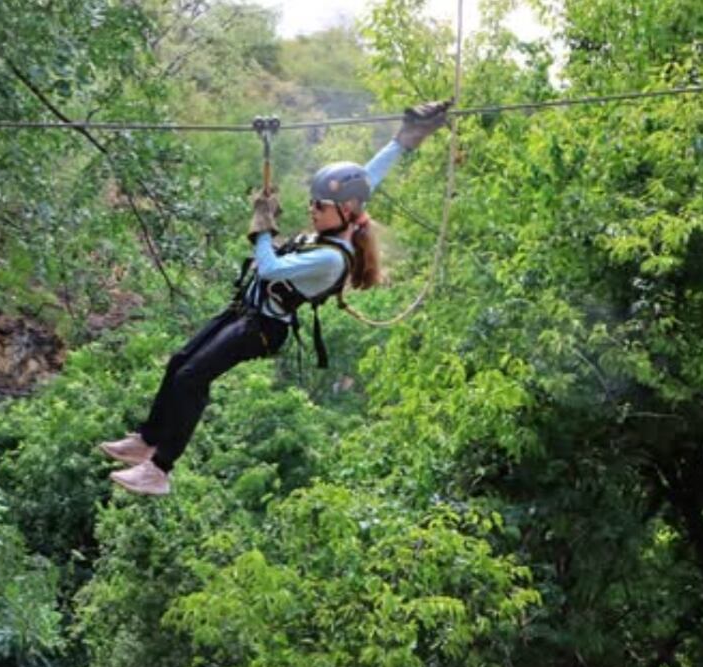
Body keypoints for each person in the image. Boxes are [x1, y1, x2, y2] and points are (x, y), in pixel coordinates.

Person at [101, 100, 453, 495]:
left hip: (262, 328)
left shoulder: (330, 258)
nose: (312, 210)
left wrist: (262, 226)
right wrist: (404, 140)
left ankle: (159, 470)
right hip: (245, 310)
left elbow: (268, 268)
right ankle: (147, 439)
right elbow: (368, 177)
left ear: (345, 210)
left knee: (193, 378)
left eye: (319, 205)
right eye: (312, 202)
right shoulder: (342, 223)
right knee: (180, 362)